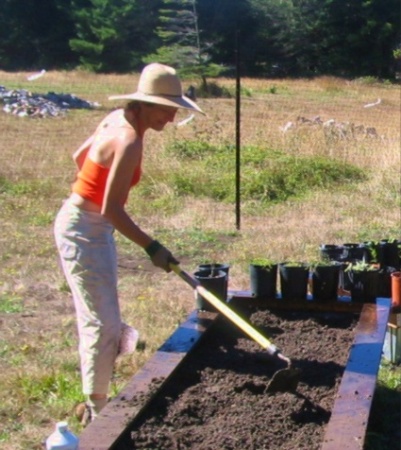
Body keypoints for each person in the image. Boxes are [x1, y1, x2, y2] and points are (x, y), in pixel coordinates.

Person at [54, 63, 204, 424]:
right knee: (102, 323)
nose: (171, 117)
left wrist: (90, 188)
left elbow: (80, 157)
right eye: (167, 108)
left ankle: (96, 397)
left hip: (87, 224)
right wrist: (153, 247)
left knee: (106, 317)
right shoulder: (130, 140)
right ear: (144, 104)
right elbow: (112, 209)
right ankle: (97, 411)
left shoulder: (116, 120)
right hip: (83, 229)